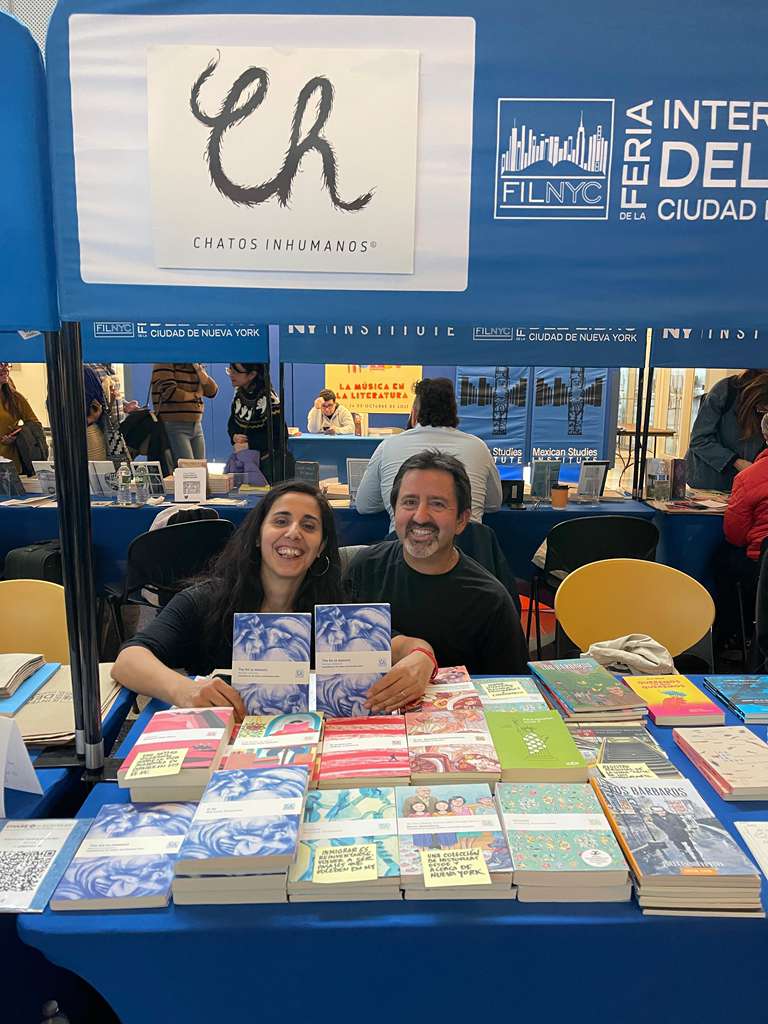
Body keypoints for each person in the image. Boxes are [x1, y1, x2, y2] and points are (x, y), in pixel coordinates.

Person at [112, 481, 436, 718]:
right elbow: (129, 660)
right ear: (257, 535)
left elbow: (408, 647)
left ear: (322, 546)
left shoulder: (334, 612)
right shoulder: (205, 600)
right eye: (281, 521)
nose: (293, 532)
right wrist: (185, 690)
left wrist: (421, 659)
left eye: (309, 526)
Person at [344, 450, 528, 676]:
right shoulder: (365, 569)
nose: (420, 516)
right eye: (410, 502)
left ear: (461, 520)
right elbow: (339, 643)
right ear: (395, 511)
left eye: (437, 504)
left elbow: (512, 686)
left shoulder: (490, 602)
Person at [354, 377, 502, 531]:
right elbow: (493, 505)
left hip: (408, 542)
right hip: (469, 543)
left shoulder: (388, 446)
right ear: (454, 413)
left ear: (414, 414)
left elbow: (365, 505)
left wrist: (392, 501)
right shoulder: (478, 447)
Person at [715, 412, 768, 649]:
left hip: (761, 565)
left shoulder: (749, 477)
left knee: (722, 561)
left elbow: (735, 534)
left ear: (764, 435)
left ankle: (732, 636)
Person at [686, 370, 768, 491]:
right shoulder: (726, 391)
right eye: (763, 408)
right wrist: (736, 462)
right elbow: (698, 440)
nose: (764, 413)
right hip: (708, 481)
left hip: (745, 483)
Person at [151, 362, 218, 466]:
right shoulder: (165, 362)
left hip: (196, 424)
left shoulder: (194, 364)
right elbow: (169, 392)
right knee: (188, 470)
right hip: (174, 423)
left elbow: (212, 391)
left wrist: (200, 371)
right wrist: (195, 395)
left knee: (200, 469)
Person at [226, 362, 283, 482]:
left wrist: (250, 443)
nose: (231, 374)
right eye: (230, 370)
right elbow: (232, 423)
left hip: (266, 465)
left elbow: (280, 436)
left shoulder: (269, 399)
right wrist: (234, 436)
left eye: (236, 372)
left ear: (252, 374)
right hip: (244, 459)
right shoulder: (239, 394)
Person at [0, 362, 41, 473]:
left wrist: (17, 434)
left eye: (6, 364)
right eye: (0, 364)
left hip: (9, 466)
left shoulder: (14, 398)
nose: (5, 368)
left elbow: (34, 424)